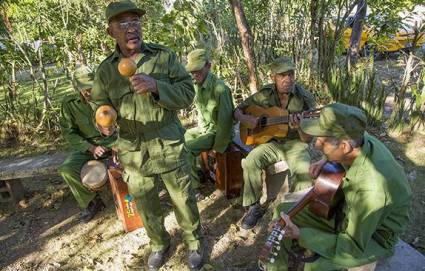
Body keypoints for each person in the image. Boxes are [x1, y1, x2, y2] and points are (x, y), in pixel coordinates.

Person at [90, 1, 203, 270]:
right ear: (110, 32)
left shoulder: (163, 57)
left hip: (167, 139)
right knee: (145, 202)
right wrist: (103, 124)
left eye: (135, 22)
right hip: (133, 147)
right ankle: (158, 243)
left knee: (182, 197)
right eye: (123, 24)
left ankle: (194, 241)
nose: (131, 29)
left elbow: (188, 94)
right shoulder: (106, 70)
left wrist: (157, 87)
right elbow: (99, 107)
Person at [266, 103, 412, 271]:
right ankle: (276, 267)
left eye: (322, 141)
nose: (316, 145)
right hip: (344, 211)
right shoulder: (355, 134)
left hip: (373, 236)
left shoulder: (372, 191)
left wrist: (301, 235)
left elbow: (351, 248)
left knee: (315, 267)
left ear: (344, 147)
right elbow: (347, 141)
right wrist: (326, 159)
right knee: (282, 212)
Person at [234, 56, 316, 230]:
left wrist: (299, 127)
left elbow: (308, 139)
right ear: (273, 77)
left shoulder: (304, 99)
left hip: (295, 143)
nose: (288, 79)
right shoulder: (265, 94)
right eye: (282, 75)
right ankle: (254, 207)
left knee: (303, 170)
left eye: (291, 74)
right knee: (251, 161)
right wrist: (246, 119)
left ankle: (296, 213)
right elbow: (238, 110)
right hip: (271, 142)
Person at [58, 66, 117, 223]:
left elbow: (125, 121)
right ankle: (91, 202)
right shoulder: (70, 104)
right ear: (77, 87)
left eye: (91, 87)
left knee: (132, 159)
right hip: (88, 147)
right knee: (67, 169)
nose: (89, 92)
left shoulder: (108, 96)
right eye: (85, 89)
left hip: (114, 142)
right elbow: (69, 132)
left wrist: (115, 137)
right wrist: (90, 147)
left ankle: (133, 196)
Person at [184, 49, 235, 199]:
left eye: (198, 69)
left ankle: (194, 188)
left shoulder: (220, 89)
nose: (194, 74)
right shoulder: (197, 85)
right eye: (192, 71)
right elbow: (201, 111)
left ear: (208, 66)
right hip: (205, 129)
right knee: (182, 137)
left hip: (218, 133)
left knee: (186, 149)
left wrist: (218, 148)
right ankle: (198, 170)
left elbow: (225, 124)